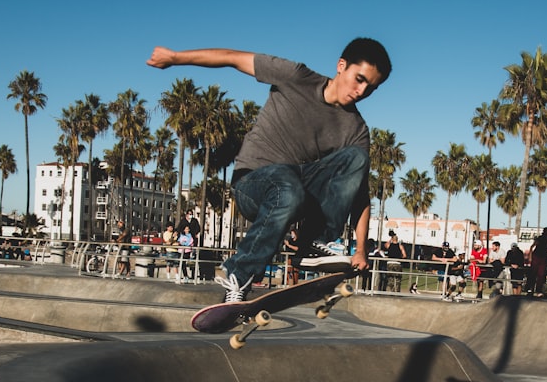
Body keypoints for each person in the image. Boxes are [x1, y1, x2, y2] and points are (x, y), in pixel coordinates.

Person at [148, 38, 392, 302]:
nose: (361, 91)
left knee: (356, 158)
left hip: (296, 191)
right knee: (285, 185)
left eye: (371, 88)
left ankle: (313, 241)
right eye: (359, 79)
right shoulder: (296, 76)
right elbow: (232, 57)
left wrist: (361, 250)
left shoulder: (355, 129)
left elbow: (359, 194)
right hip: (252, 183)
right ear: (341, 66)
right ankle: (238, 275)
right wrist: (174, 57)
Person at [526, 228, 547, 298]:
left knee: (540, 274)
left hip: (541, 257)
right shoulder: (542, 238)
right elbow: (533, 246)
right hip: (538, 256)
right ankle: (532, 289)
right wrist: (530, 256)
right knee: (536, 273)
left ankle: (535, 289)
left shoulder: (546, 238)